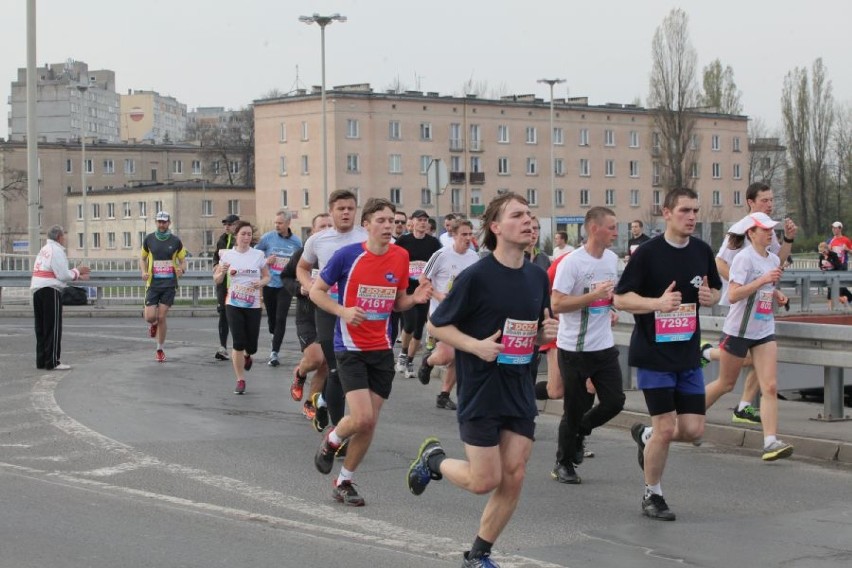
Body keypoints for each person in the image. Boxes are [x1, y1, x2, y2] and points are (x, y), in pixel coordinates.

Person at [406, 193, 558, 568]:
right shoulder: (476, 275)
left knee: (515, 474)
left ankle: (478, 554)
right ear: (495, 227)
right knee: (483, 480)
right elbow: (436, 324)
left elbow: (531, 333)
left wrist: (543, 335)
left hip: (519, 386)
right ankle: (434, 460)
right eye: (517, 215)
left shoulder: (538, 275)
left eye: (530, 214)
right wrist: (474, 345)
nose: (528, 221)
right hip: (482, 388)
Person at [310, 198, 432, 507]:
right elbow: (316, 292)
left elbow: (397, 302)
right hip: (350, 347)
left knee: (370, 423)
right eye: (381, 220)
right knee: (361, 417)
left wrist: (415, 299)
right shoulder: (347, 256)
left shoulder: (401, 256)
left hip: (381, 349)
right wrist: (343, 311)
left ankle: (345, 481)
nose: (389, 226)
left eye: (392, 221)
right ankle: (333, 439)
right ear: (367, 225)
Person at [614, 187, 721, 522]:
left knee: (692, 430)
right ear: (667, 213)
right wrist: (656, 304)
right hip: (654, 354)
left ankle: (645, 437)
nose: (692, 217)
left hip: (687, 353)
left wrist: (709, 296)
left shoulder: (702, 251)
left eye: (695, 211)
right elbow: (620, 299)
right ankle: (653, 495)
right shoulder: (647, 253)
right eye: (685, 210)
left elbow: (716, 289)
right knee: (665, 428)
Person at [704, 212, 793, 461]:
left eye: (771, 230)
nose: (770, 233)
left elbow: (766, 289)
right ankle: (689, 416)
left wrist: (776, 295)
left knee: (771, 386)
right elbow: (733, 295)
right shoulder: (743, 259)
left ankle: (770, 442)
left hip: (764, 329)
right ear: (751, 233)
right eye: (764, 230)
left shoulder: (773, 258)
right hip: (739, 330)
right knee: (726, 384)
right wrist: (763, 279)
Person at [711, 181, 798, 424]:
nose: (770, 205)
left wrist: (789, 239)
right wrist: (744, 285)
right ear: (751, 202)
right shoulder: (742, 228)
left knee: (763, 358)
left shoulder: (767, 228)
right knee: (739, 370)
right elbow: (719, 262)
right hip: (740, 306)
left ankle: (745, 405)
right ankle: (708, 352)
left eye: (772, 200)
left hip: (760, 304)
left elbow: (776, 262)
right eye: (764, 200)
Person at [550, 207, 625, 485]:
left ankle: (581, 431)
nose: (616, 232)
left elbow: (607, 296)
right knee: (574, 408)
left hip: (603, 346)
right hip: (574, 349)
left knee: (615, 401)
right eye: (612, 227)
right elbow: (557, 304)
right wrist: (594, 296)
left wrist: (609, 307)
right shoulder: (572, 263)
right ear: (595, 228)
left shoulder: (612, 259)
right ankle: (563, 462)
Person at [297, 190, 368, 432]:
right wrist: (310, 287)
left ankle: (323, 402)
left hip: (359, 312)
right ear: (331, 212)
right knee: (335, 368)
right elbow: (302, 268)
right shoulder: (318, 240)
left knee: (355, 371)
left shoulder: (366, 236)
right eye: (341, 209)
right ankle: (338, 432)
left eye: (350, 208)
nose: (346, 212)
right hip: (328, 310)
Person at [417, 218, 480, 410]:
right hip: (440, 313)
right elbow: (423, 279)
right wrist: (438, 295)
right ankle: (427, 361)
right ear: (453, 234)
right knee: (447, 355)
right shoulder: (441, 255)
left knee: (459, 355)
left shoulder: (473, 257)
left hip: (463, 315)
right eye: (464, 234)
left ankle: (444, 395)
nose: (468, 238)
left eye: (470, 234)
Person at [281, 213, 333, 419]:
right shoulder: (304, 253)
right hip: (308, 314)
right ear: (313, 231)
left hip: (331, 313)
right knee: (315, 359)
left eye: (330, 225)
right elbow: (285, 276)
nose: (327, 229)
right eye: (322, 226)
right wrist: (299, 289)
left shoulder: (340, 253)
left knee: (327, 364)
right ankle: (300, 373)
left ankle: (311, 402)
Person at [213, 221, 271, 394]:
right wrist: (221, 272)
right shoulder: (227, 255)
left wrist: (259, 283)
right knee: (238, 342)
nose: (246, 237)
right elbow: (217, 280)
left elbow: (268, 277)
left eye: (249, 234)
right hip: (233, 302)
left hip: (253, 304)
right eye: (243, 234)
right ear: (236, 236)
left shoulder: (258, 255)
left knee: (251, 345)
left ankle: (248, 355)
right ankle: (240, 379)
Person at [31, 225, 91, 370]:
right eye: (63, 236)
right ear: (59, 237)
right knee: (53, 327)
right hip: (50, 290)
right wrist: (78, 272)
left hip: (37, 288)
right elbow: (63, 275)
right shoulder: (56, 250)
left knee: (41, 327)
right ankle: (53, 361)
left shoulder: (44, 249)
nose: (64, 238)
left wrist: (74, 273)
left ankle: (42, 360)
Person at [395, 209, 442, 378]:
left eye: (425, 220)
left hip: (424, 289)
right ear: (412, 222)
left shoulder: (434, 243)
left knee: (418, 328)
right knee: (409, 323)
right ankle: (403, 353)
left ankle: (409, 361)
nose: (423, 223)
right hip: (407, 288)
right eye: (420, 219)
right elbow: (394, 258)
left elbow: (440, 262)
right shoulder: (403, 240)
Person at [256, 209, 302, 367]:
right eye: (275, 222)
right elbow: (255, 254)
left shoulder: (296, 242)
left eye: (280, 223)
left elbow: (301, 262)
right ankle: (273, 335)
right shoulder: (267, 238)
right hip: (270, 283)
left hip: (285, 285)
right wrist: (266, 260)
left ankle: (274, 353)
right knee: (272, 320)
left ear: (288, 223)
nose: (277, 225)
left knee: (281, 318)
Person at [140, 211, 187, 363]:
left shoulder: (175, 241)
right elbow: (142, 258)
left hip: (169, 284)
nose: (161, 224)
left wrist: (182, 269)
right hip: (153, 284)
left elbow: (182, 261)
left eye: (164, 222)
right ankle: (152, 324)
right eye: (159, 222)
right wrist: (144, 271)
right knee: (150, 317)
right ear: (156, 222)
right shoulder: (149, 239)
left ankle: (159, 349)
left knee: (161, 317)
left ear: (169, 223)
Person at [213, 214, 239, 360]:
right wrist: (215, 265)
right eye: (225, 224)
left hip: (237, 283)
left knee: (235, 314)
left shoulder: (242, 239)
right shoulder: (222, 239)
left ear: (237, 224)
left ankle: (239, 347)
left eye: (229, 224)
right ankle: (222, 347)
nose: (226, 227)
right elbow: (216, 256)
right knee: (223, 313)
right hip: (223, 283)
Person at [818, 242, 852, 309]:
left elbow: (838, 265)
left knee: (838, 293)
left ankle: (845, 300)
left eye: (824, 251)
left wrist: (829, 263)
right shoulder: (821, 256)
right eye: (821, 252)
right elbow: (820, 265)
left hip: (836, 275)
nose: (823, 253)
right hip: (828, 276)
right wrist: (822, 267)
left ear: (827, 249)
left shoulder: (833, 255)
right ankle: (831, 310)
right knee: (830, 294)